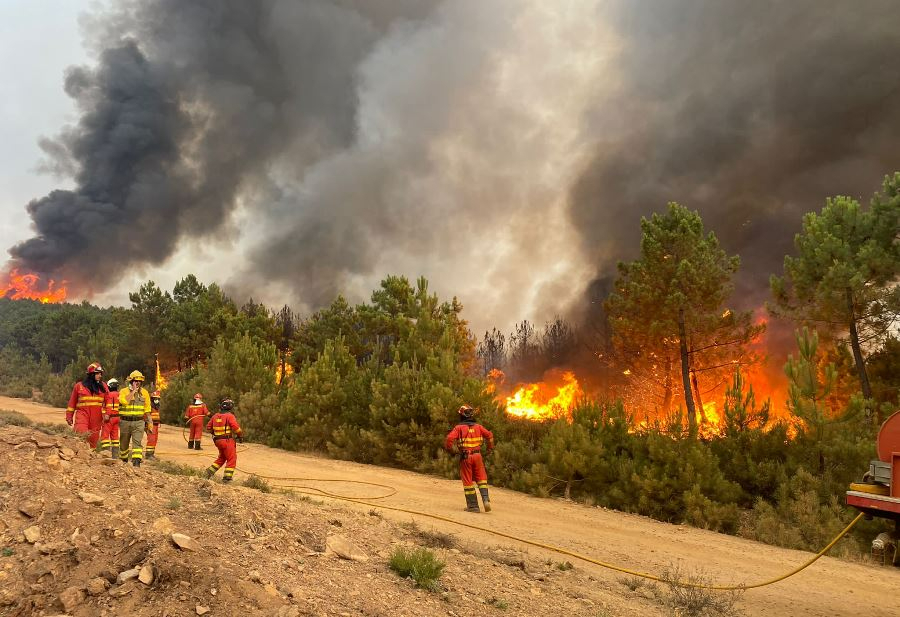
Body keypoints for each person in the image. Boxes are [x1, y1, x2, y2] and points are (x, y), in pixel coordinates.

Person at [444, 404, 494, 513]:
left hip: (466, 457)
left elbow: (449, 439)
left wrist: (450, 449)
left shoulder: (459, 428)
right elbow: (490, 436)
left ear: (462, 415)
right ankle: (486, 500)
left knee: (467, 480)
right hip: (478, 456)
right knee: (481, 478)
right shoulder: (478, 427)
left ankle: (473, 506)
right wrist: (490, 448)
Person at [66, 362, 109, 449]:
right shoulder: (79, 386)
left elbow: (108, 401)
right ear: (91, 374)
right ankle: (77, 454)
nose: (100, 376)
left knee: (93, 439)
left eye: (100, 373)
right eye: (97, 373)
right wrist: (69, 416)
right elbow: (72, 402)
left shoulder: (103, 386)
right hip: (82, 414)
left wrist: (107, 413)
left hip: (97, 418)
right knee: (81, 433)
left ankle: (89, 459)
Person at [118, 371, 152, 467]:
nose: (138, 383)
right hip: (125, 422)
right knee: (124, 444)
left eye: (139, 381)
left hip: (139, 422)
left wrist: (150, 423)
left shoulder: (144, 393)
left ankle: (136, 464)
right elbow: (125, 401)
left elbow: (147, 409)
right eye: (136, 381)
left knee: (137, 443)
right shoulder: (123, 391)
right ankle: (123, 462)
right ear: (131, 381)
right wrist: (133, 391)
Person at [204, 398, 243, 483]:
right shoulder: (230, 416)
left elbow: (208, 428)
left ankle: (208, 472)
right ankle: (227, 478)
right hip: (227, 441)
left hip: (217, 441)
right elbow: (236, 427)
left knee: (222, 458)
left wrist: (216, 433)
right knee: (232, 458)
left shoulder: (215, 416)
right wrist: (240, 435)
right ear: (230, 407)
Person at [99, 378, 121, 458]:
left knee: (105, 436)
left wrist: (106, 415)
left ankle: (106, 454)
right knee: (115, 437)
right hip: (117, 418)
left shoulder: (108, 395)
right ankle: (115, 456)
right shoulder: (119, 394)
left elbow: (107, 406)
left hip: (109, 418)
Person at [144, 390, 162, 459]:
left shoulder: (156, 406)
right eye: (155, 398)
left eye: (158, 399)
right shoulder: (149, 406)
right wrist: (147, 425)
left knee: (155, 439)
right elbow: (145, 416)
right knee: (151, 439)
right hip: (151, 425)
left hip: (156, 425)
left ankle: (151, 454)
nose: (156, 400)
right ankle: (148, 455)